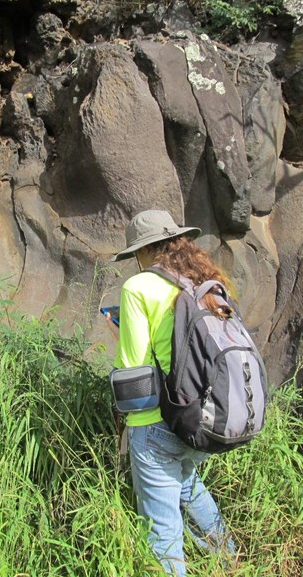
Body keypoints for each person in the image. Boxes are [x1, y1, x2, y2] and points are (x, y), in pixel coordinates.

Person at [110, 209, 236, 576]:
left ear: (144, 251)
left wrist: (116, 333)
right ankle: (227, 560)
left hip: (156, 424)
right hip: (204, 418)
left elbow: (132, 367)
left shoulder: (139, 287)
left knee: (162, 532)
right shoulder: (206, 282)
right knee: (188, 486)